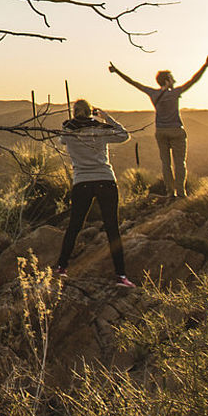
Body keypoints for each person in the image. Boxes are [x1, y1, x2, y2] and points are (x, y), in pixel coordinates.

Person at [55, 99, 135, 287]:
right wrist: (106, 117)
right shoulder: (100, 129)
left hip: (82, 182)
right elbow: (124, 136)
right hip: (105, 180)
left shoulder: (68, 131)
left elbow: (61, 140)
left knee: (74, 226)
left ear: (74, 112)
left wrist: (70, 122)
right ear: (91, 112)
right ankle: (121, 275)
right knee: (112, 228)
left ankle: (61, 267)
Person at [109, 56, 208, 197]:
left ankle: (170, 192)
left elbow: (133, 82)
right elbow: (193, 80)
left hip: (161, 131)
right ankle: (181, 192)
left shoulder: (153, 93)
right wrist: (205, 66)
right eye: (172, 78)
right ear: (167, 81)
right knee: (180, 163)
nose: (174, 81)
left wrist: (117, 71)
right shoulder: (175, 93)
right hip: (176, 131)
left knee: (166, 164)